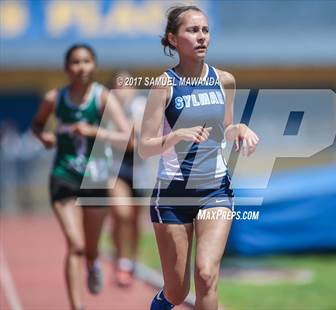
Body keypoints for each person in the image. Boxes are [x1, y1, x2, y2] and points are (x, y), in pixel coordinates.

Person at [139, 6, 259, 310]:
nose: (201, 37)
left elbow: (225, 128)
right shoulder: (163, 85)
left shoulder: (224, 80)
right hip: (172, 194)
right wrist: (176, 136)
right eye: (192, 31)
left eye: (205, 30)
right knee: (177, 292)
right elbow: (144, 146)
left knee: (206, 274)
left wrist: (240, 128)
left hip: (214, 191)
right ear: (173, 39)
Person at [31, 44, 130, 310]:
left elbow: (127, 137)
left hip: (95, 178)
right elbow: (37, 124)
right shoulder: (55, 98)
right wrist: (44, 138)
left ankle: (92, 262)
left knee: (89, 248)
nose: (81, 67)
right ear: (67, 68)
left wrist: (93, 132)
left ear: (94, 66)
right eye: (75, 62)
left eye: (87, 61)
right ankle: (77, 306)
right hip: (63, 175)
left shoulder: (103, 98)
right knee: (74, 244)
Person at [108, 71, 147, 287]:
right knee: (122, 214)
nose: (124, 89)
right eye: (119, 85)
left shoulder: (141, 105)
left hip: (139, 170)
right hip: (115, 169)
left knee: (133, 220)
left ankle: (132, 259)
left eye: (128, 84)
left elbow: (143, 133)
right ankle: (122, 261)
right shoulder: (108, 107)